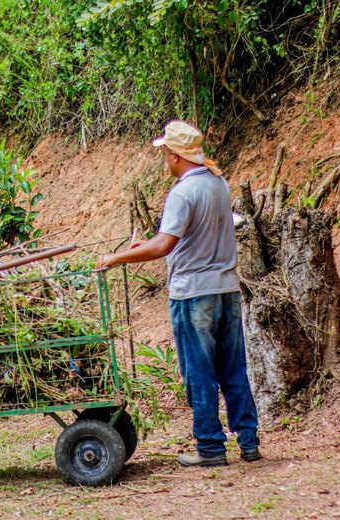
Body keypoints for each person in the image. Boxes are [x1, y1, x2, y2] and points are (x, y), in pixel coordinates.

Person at [96, 120, 260, 467]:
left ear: (175, 156)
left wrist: (117, 257)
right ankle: (249, 442)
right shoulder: (218, 184)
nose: (165, 160)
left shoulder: (183, 193)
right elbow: (188, 237)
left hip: (193, 295)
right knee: (233, 369)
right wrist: (151, 243)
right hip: (227, 290)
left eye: (166, 154)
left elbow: (164, 245)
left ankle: (211, 448)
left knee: (199, 373)